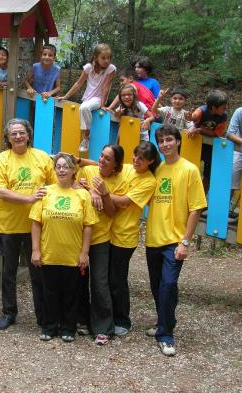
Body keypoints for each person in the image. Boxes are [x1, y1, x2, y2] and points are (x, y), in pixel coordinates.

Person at [145, 125, 206, 356]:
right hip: (153, 239)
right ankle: (164, 320)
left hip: (174, 241)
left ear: (178, 141)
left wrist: (185, 242)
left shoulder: (189, 170)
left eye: (169, 140)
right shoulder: (157, 169)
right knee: (157, 286)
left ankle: (166, 334)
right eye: (161, 141)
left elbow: (196, 208)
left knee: (168, 284)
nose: (164, 145)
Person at [0, 119, 56, 330]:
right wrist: (28, 198)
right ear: (7, 138)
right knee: (8, 273)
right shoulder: (1, 160)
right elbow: (0, 191)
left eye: (21, 133)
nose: (18, 137)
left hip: (35, 225)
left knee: (38, 272)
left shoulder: (41, 157)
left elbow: (55, 184)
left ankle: (43, 314)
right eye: (13, 134)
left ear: (28, 135)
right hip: (8, 225)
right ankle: (9, 312)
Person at [30, 153, 98, 342]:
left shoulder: (83, 195)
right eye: (58, 166)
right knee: (49, 292)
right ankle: (50, 326)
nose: (61, 170)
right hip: (49, 252)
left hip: (72, 255)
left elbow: (88, 226)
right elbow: (36, 222)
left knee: (71, 293)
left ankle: (69, 327)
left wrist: (85, 253)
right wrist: (35, 249)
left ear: (73, 170)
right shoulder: (45, 191)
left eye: (66, 166)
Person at [77, 145, 127, 345]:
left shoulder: (118, 181)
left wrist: (104, 193)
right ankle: (81, 320)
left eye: (108, 158)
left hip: (101, 238)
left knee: (99, 282)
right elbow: (73, 187)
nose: (102, 160)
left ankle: (103, 327)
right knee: (79, 280)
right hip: (79, 237)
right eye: (101, 155)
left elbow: (112, 212)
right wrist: (91, 191)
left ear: (115, 164)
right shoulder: (88, 171)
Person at [108, 141, 159, 337]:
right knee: (105, 278)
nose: (136, 160)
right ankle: (107, 316)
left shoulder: (148, 181)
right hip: (108, 233)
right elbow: (103, 165)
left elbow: (125, 201)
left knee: (117, 279)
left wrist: (101, 193)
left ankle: (122, 319)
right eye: (135, 155)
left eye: (142, 158)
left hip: (125, 237)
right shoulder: (128, 168)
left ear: (150, 161)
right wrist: (79, 160)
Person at [57, 43, 116, 153]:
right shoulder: (89, 67)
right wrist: (66, 96)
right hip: (87, 98)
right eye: (103, 58)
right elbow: (78, 84)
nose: (106, 60)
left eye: (108, 58)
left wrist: (103, 104)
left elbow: (106, 87)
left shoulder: (111, 69)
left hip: (98, 98)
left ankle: (86, 137)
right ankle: (85, 135)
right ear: (95, 57)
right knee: (84, 107)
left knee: (84, 108)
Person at [187, 90, 228, 189]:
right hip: (196, 143)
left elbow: (217, 133)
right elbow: (194, 116)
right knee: (190, 168)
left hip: (211, 147)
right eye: (223, 107)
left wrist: (201, 129)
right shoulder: (202, 110)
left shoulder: (223, 117)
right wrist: (191, 117)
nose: (225, 109)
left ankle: (203, 195)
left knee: (208, 174)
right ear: (214, 107)